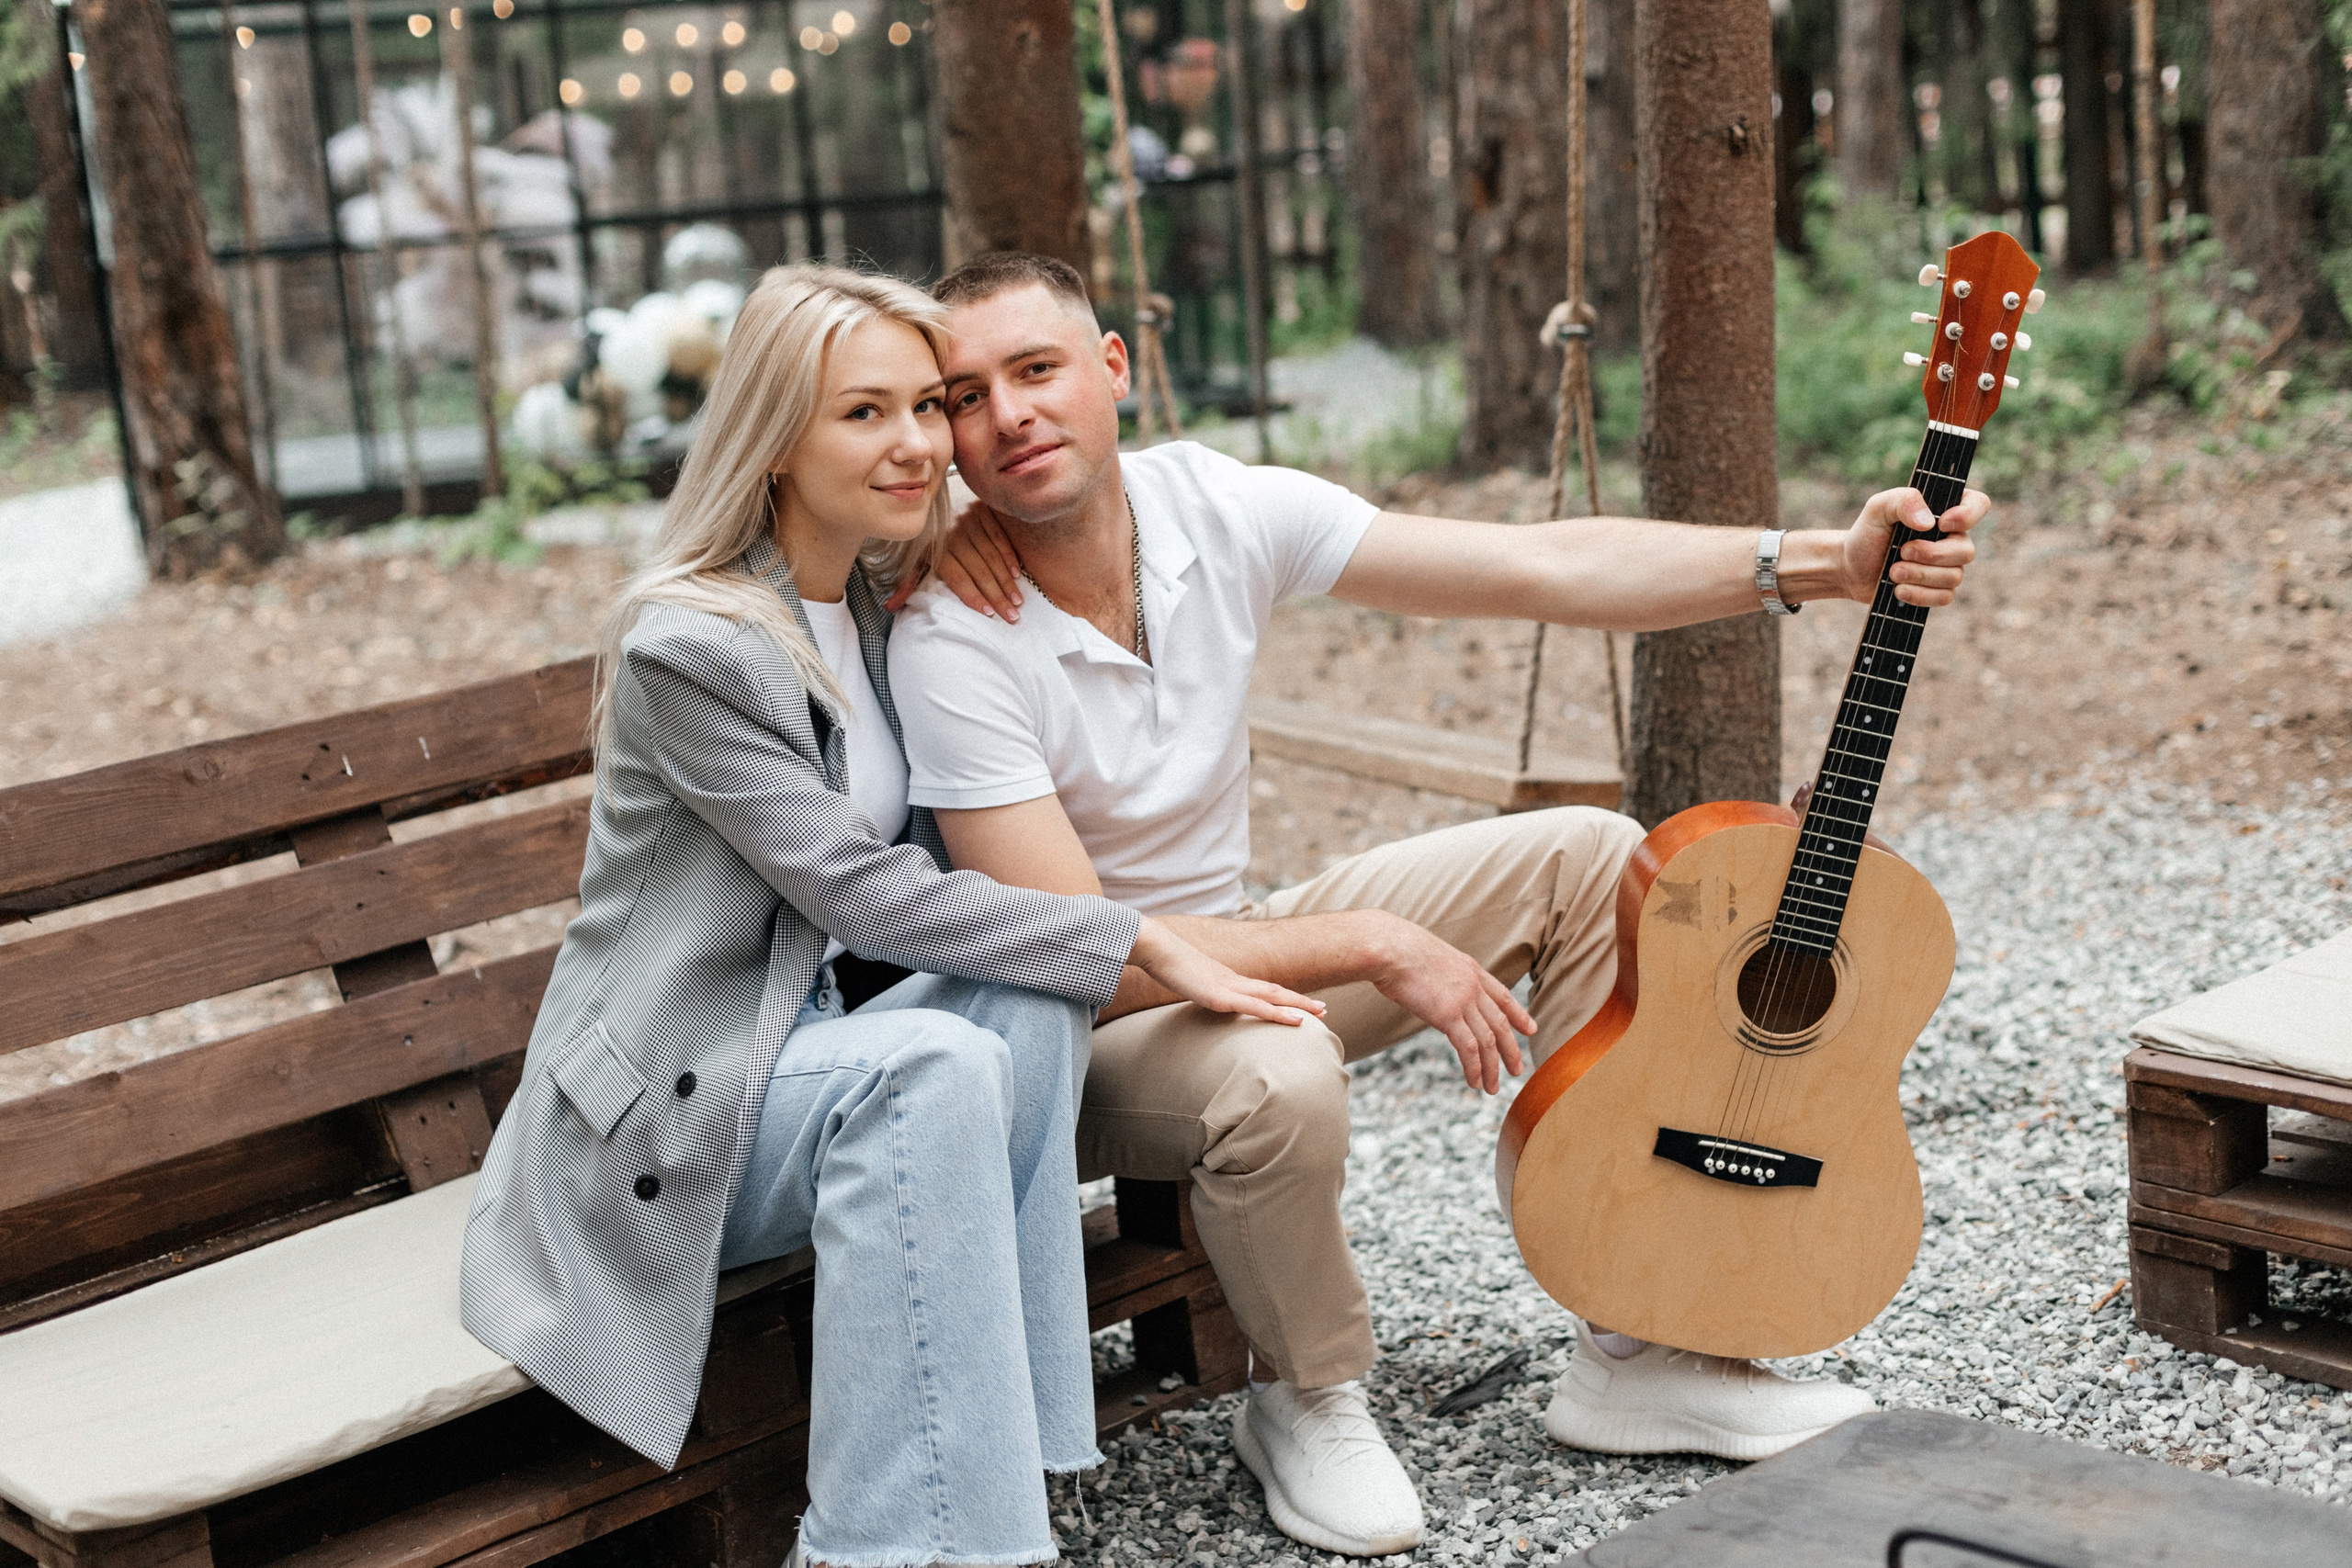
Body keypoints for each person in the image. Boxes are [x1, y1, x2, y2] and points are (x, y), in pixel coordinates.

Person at [883, 252, 1990, 1558]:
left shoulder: (1208, 508)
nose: (1007, 415)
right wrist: (1369, 940)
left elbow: (1540, 569)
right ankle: (1304, 1398)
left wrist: (1822, 562)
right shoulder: (952, 635)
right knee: (1276, 1068)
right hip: (1068, 1032)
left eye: (1036, 370)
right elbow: (1081, 954)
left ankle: (1638, 1341)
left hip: (1235, 949)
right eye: (965, 395)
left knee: (1595, 857)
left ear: (1112, 368)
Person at [459, 265, 1326, 1568]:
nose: (921, 443)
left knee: (1022, 1005)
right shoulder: (688, 645)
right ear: (774, 438)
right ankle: (887, 1548)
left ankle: (1005, 1479)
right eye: (865, 414)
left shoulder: (883, 599)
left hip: (810, 1062)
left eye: (928, 407)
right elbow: (852, 890)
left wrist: (962, 533)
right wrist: (1134, 936)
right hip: (670, 1111)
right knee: (932, 1062)